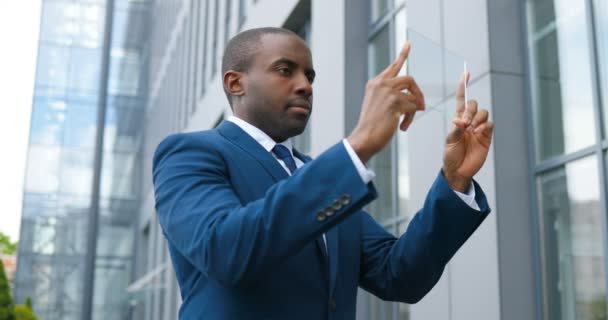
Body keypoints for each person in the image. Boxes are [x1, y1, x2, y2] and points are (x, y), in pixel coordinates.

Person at [153, 27, 494, 320]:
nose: (305, 85)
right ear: (235, 83)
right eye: (285, 70)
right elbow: (225, 250)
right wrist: (357, 146)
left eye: (310, 75)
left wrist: (455, 180)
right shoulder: (189, 153)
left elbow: (399, 275)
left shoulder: (322, 176)